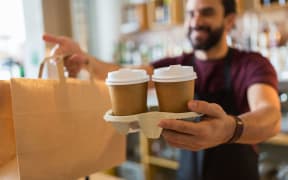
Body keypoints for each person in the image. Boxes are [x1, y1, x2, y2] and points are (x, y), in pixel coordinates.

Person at [43, 0, 281, 179]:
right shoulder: (175, 68)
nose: (196, 21)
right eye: (191, 14)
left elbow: (270, 116)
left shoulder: (251, 64)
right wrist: (85, 59)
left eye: (206, 12)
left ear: (229, 20)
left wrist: (229, 129)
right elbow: (126, 75)